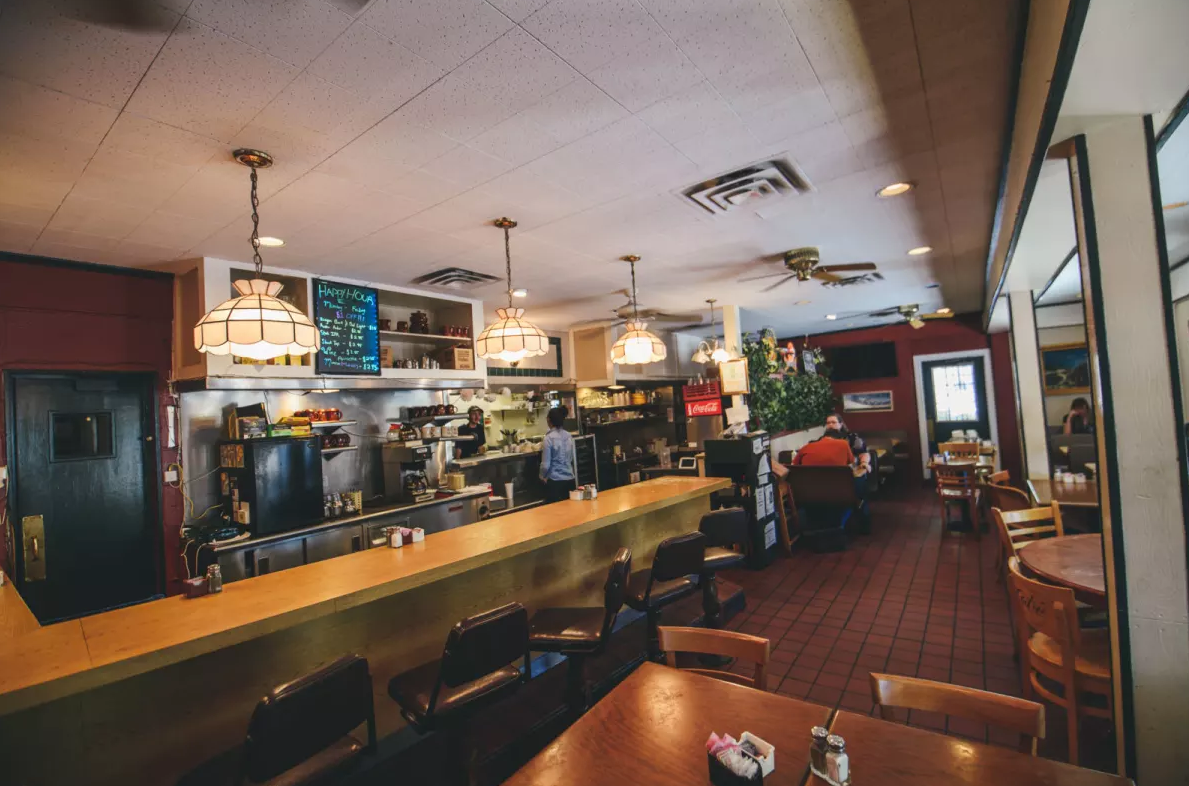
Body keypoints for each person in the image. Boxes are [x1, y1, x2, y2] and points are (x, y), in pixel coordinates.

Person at [540, 406, 576, 503]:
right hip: (570, 480)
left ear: (549, 420)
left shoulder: (548, 438)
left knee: (555, 514)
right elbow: (571, 458)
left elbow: (545, 465)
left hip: (555, 482)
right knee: (571, 512)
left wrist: (542, 476)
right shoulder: (568, 436)